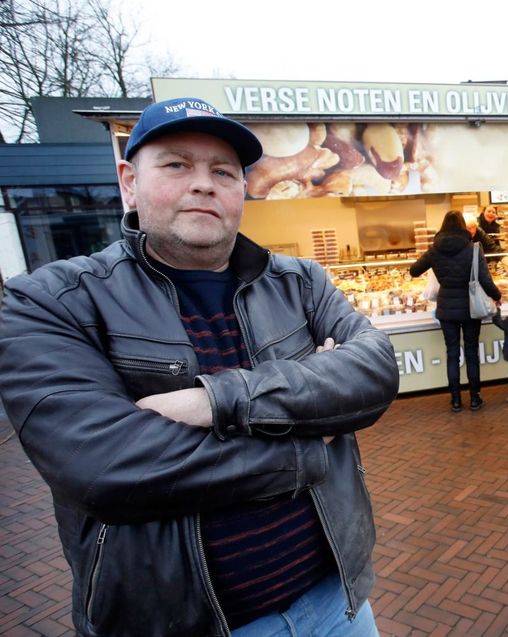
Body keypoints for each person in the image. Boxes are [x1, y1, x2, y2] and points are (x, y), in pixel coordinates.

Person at [0, 97, 400, 636]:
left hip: (338, 605)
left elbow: (373, 369)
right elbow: (104, 464)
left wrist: (213, 402)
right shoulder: (51, 301)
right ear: (128, 181)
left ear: (241, 190)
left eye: (223, 171)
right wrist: (309, 437)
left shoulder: (302, 281)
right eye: (176, 164)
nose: (204, 183)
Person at [410, 211, 501, 412]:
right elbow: (486, 280)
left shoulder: (434, 249)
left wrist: (434, 263)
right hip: (470, 307)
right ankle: (475, 398)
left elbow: (414, 270)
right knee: (471, 352)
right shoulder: (474, 249)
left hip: (446, 308)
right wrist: (497, 294)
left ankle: (456, 400)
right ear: (462, 226)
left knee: (452, 353)